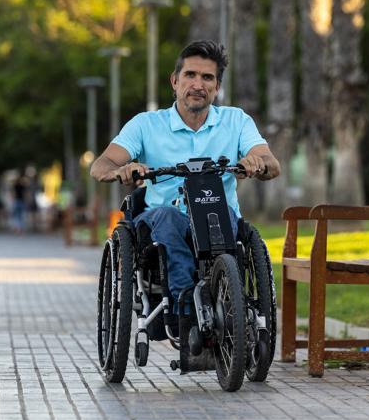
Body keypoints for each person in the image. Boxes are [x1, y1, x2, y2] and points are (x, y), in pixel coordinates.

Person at [90, 40, 280, 312]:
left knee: (224, 215)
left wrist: (257, 163)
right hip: (162, 220)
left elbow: (272, 164)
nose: (198, 85)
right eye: (190, 75)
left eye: (207, 77)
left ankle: (228, 305)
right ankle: (186, 307)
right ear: (175, 81)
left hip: (218, 217)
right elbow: (101, 164)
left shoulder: (236, 121)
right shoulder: (146, 124)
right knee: (168, 217)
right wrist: (121, 170)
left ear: (217, 87)